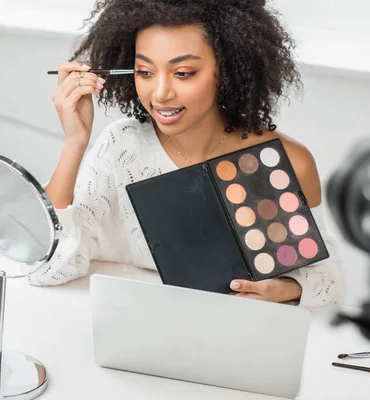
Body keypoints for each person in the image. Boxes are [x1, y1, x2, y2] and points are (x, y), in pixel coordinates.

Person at [28, 0, 344, 308]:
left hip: (240, 335)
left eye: (183, 72)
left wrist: (286, 288)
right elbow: (44, 264)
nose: (161, 93)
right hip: (139, 321)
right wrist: (75, 142)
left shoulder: (286, 162)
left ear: (228, 70)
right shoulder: (120, 148)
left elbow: (328, 278)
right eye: (145, 71)